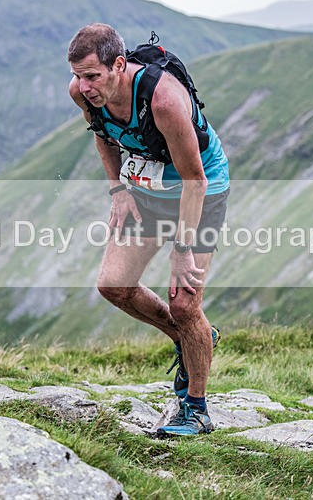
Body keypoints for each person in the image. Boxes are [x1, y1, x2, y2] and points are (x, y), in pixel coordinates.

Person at [67, 23, 230, 437]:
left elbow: (196, 180)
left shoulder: (163, 101)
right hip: (146, 188)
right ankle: (193, 339)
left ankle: (197, 410)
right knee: (113, 286)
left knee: (185, 303)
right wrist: (118, 188)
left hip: (200, 189)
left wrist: (182, 248)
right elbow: (102, 134)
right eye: (78, 76)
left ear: (118, 65)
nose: (83, 87)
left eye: (92, 76)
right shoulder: (82, 94)